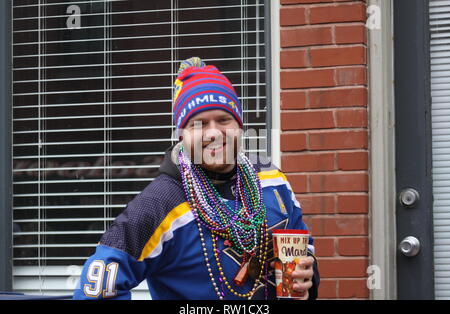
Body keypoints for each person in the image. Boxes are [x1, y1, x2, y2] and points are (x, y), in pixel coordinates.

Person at [73, 57, 320, 300]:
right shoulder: (158, 204)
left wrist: (309, 274)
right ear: (182, 134)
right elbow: (94, 291)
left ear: (240, 126)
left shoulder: (270, 177)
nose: (213, 133)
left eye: (224, 120)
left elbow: (302, 243)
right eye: (198, 124)